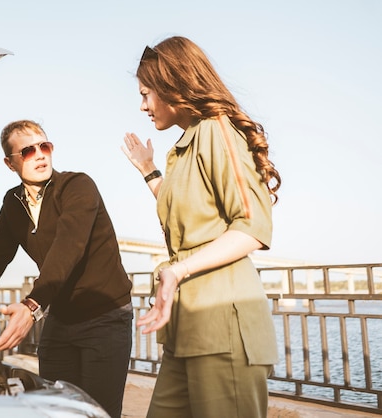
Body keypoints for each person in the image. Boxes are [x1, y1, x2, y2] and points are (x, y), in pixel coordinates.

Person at [0, 119, 133, 418]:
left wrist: (31, 305)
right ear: (10, 163)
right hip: (61, 318)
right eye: (28, 151)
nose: (41, 155)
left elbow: (67, 248)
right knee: (52, 410)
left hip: (105, 317)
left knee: (97, 413)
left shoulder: (77, 185)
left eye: (45, 146)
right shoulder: (13, 203)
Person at [121, 36, 282, 418]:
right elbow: (187, 212)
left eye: (147, 94)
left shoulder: (217, 130)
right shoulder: (185, 146)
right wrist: (149, 170)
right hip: (185, 331)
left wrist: (175, 272)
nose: (142, 105)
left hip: (223, 329)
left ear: (172, 85)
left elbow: (252, 227)